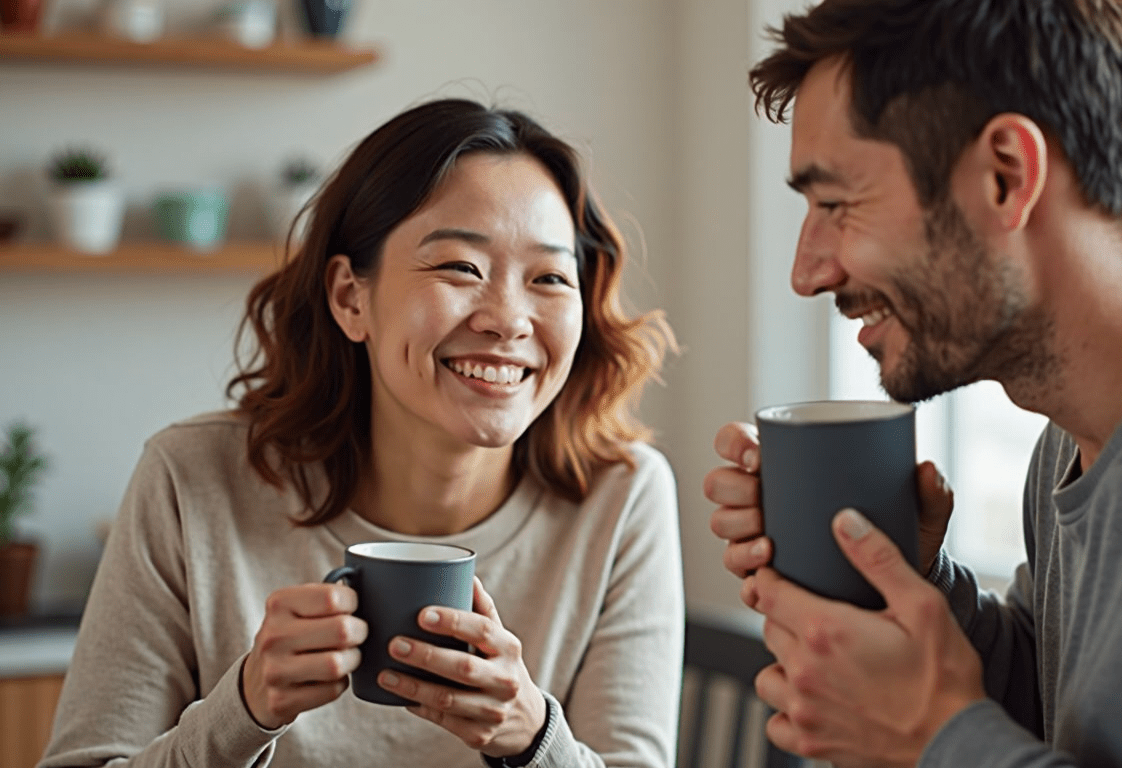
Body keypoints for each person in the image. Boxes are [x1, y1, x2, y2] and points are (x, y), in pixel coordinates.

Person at [703, 1, 1122, 767]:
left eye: (835, 204)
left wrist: (934, 744)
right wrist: (917, 585)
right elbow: (1062, 714)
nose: (806, 271)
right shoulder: (1073, 438)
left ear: (1006, 176)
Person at [41, 98, 684, 768]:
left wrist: (530, 737)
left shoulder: (623, 498)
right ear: (351, 297)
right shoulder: (190, 480)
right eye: (461, 267)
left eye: (550, 278)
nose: (508, 320)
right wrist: (245, 709)